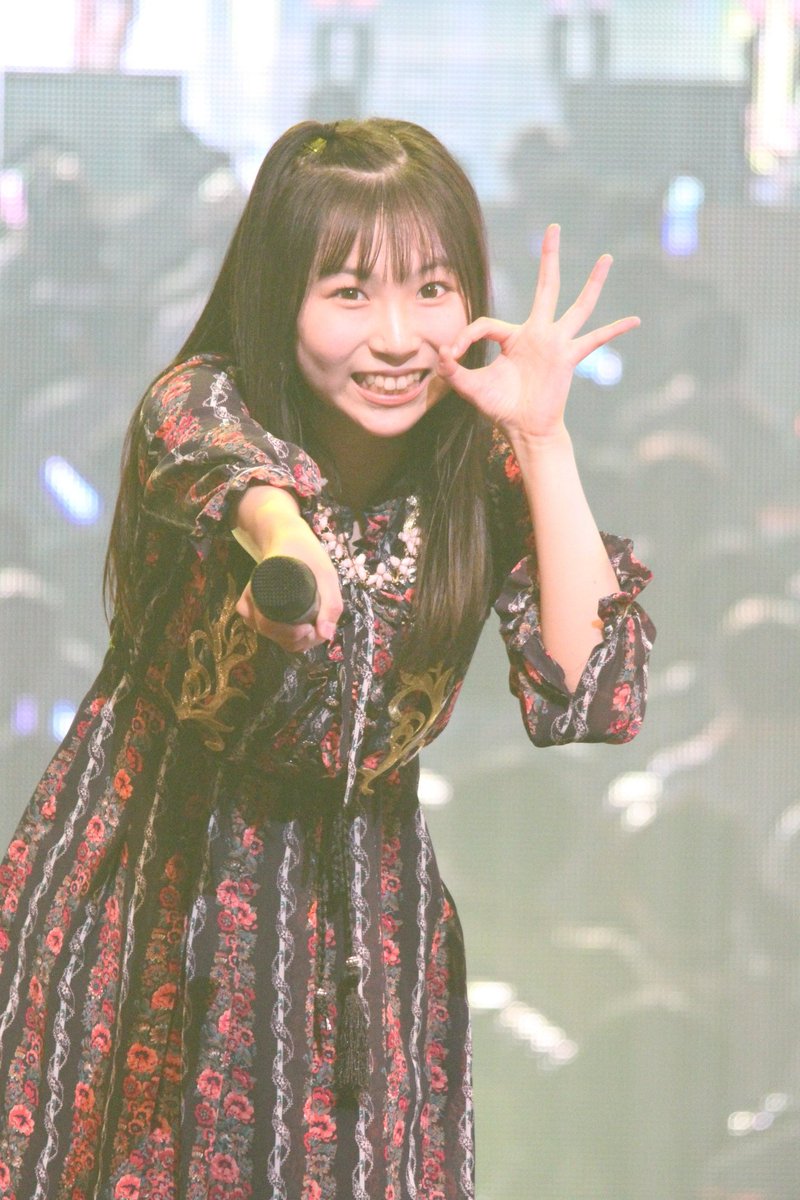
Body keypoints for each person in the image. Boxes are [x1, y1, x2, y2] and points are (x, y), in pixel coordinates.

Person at [0, 118, 654, 1199]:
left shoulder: (479, 472)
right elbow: (225, 471)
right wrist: (287, 546)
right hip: (153, 915)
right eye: (349, 292)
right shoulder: (203, 401)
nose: (396, 338)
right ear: (278, 295)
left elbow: (594, 698)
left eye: (431, 290)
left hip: (361, 944)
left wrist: (542, 441)